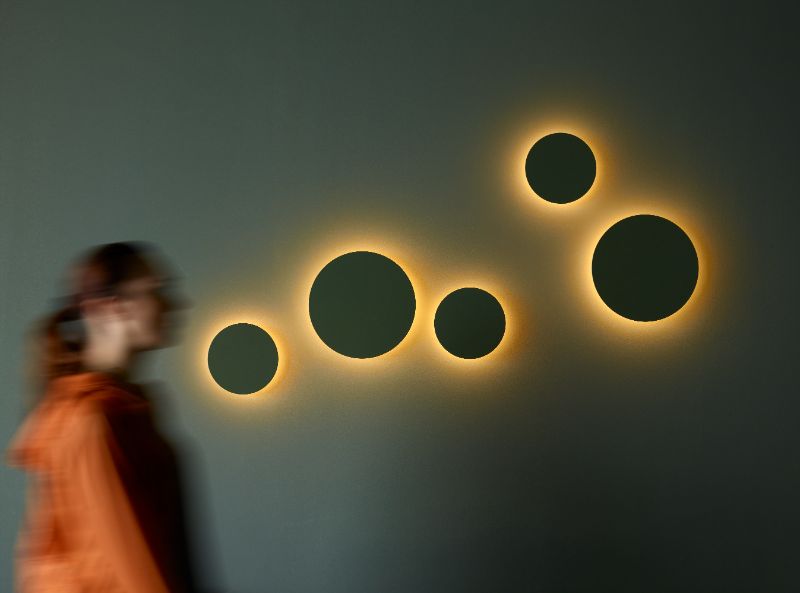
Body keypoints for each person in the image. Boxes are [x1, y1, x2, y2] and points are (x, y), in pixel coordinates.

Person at [5, 241, 200, 593]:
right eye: (155, 291)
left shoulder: (126, 410)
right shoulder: (92, 419)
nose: (174, 304)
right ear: (111, 306)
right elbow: (132, 560)